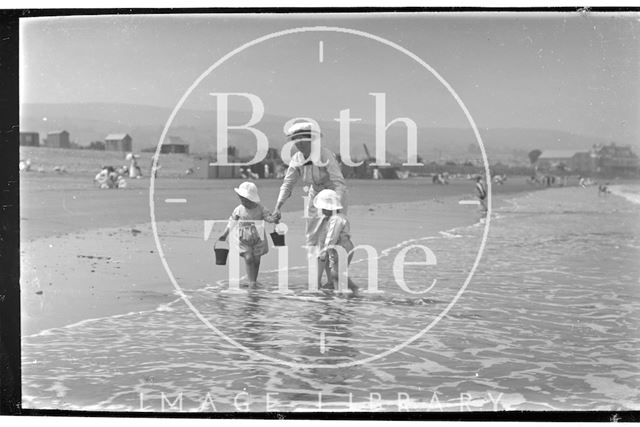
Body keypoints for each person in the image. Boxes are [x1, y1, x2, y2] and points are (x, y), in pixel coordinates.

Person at [272, 121, 347, 246]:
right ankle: (317, 262)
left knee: (336, 234)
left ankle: (338, 262)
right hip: (315, 194)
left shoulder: (324, 154)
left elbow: (339, 182)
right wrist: (278, 207)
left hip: (332, 194)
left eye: (303, 139)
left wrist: (337, 205)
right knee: (313, 235)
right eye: (296, 139)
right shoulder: (297, 159)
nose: (299, 143)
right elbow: (288, 183)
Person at [218, 181, 275, 285]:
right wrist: (225, 234)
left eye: (246, 200)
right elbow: (232, 222)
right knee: (249, 258)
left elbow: (268, 218)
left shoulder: (261, 209)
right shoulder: (239, 209)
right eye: (241, 199)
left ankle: (254, 279)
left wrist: (274, 219)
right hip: (243, 238)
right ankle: (251, 282)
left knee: (257, 260)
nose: (243, 202)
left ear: (252, 199)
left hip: (258, 238)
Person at [312, 189, 358, 294]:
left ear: (329, 208)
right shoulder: (335, 218)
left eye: (324, 208)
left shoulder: (336, 220)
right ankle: (340, 287)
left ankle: (342, 292)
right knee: (336, 271)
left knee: (336, 272)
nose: (322, 211)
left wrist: (324, 250)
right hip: (342, 246)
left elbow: (332, 236)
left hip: (341, 248)